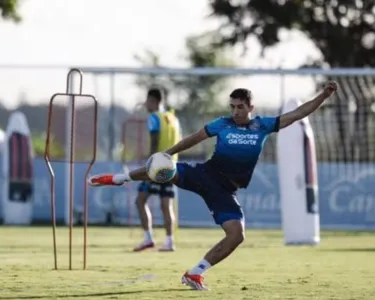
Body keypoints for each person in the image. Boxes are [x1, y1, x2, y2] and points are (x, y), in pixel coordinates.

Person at [89, 81, 338, 290]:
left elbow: (298, 114)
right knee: (164, 171)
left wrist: (323, 95)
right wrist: (167, 154)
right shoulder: (222, 123)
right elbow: (193, 139)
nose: (236, 111)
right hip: (206, 175)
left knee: (237, 235)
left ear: (251, 107)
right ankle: (117, 179)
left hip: (224, 190)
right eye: (232, 107)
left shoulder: (263, 125)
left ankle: (195, 273)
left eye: (240, 107)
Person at [134, 87, 182, 252]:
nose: (146, 104)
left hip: (157, 166)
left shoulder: (154, 118)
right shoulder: (172, 118)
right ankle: (169, 241)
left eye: (147, 101)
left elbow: (154, 142)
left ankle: (148, 238)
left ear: (153, 101)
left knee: (140, 201)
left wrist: (149, 167)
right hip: (171, 167)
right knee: (166, 205)